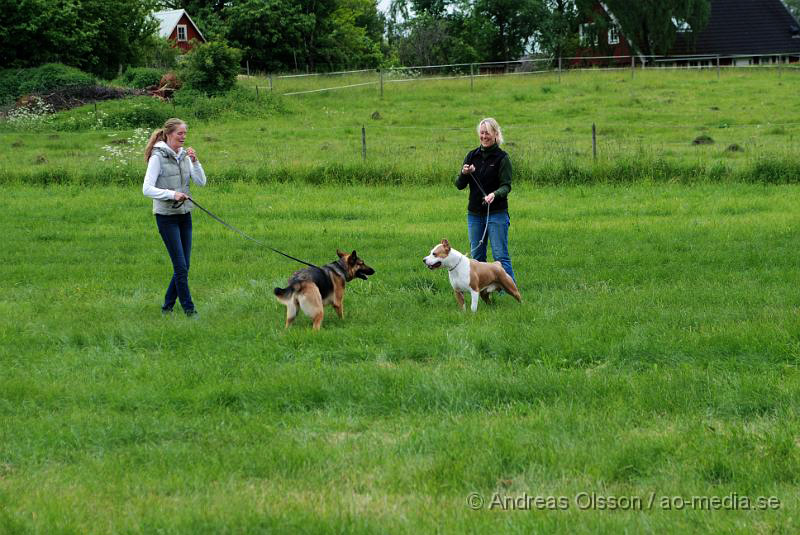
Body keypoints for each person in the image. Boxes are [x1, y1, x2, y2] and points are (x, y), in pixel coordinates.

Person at [142, 118, 207, 316]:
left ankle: (167, 307)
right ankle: (190, 310)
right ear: (169, 134)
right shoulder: (157, 157)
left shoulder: (185, 156)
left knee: (184, 266)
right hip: (166, 217)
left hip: (184, 214)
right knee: (180, 267)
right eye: (180, 133)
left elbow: (201, 182)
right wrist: (172, 194)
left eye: (185, 133)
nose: (183, 137)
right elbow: (146, 189)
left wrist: (195, 162)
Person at [455, 117, 516, 283]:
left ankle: (509, 291)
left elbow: (506, 186)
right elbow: (459, 185)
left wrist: (495, 194)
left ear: (496, 134)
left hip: (497, 214)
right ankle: (481, 292)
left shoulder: (502, 158)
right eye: (481, 133)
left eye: (487, 133)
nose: (484, 136)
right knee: (477, 257)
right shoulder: (472, 155)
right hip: (474, 215)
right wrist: (464, 173)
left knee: (500, 256)